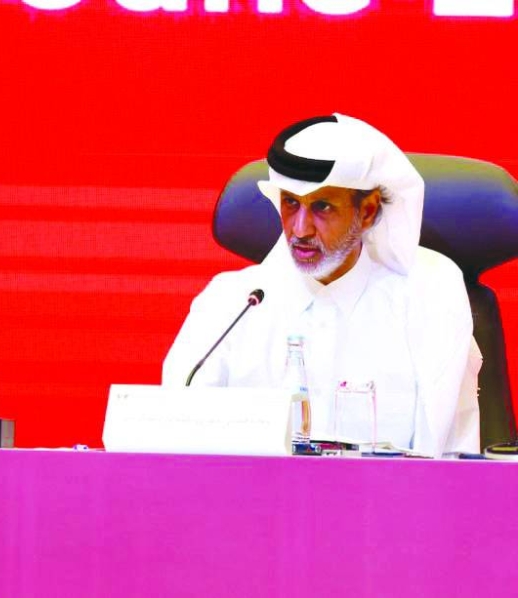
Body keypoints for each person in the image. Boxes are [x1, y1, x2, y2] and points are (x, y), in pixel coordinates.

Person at [162, 113, 481, 458]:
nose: (300, 229)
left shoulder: (429, 294)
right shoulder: (230, 304)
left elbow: (447, 460)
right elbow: (175, 441)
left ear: (369, 211)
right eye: (290, 203)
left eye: (322, 207)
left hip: (388, 506)